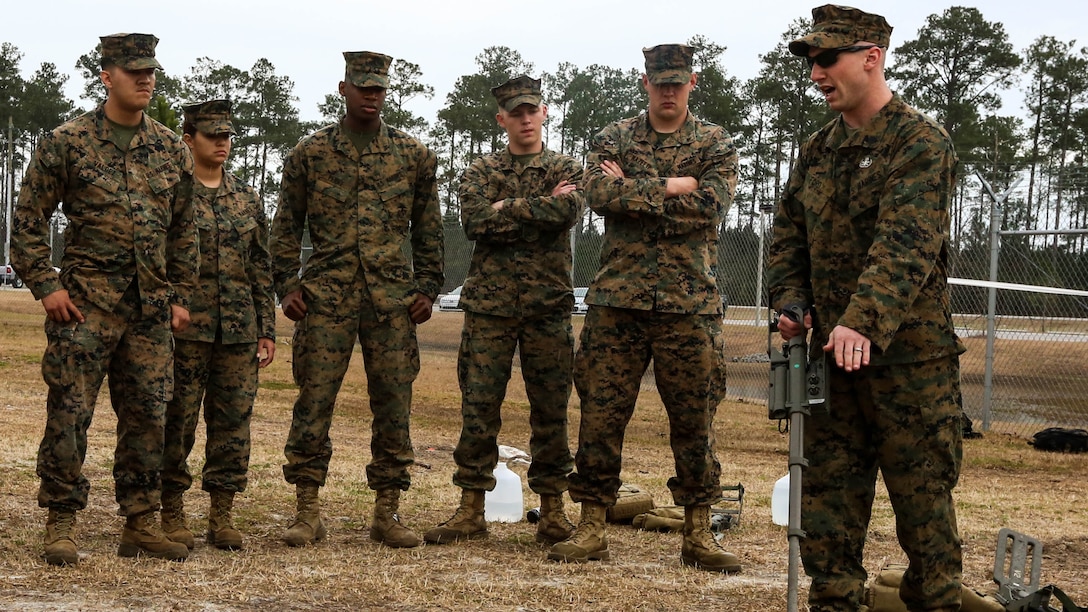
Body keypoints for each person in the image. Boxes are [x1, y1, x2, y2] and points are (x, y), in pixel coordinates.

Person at [767, 6, 965, 610]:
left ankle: (935, 601)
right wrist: (792, 301)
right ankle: (835, 601)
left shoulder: (920, 142)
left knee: (923, 500)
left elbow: (905, 242)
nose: (815, 72)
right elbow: (787, 237)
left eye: (827, 59)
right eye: (809, 61)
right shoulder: (818, 149)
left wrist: (864, 319)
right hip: (831, 357)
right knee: (828, 500)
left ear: (871, 57)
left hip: (910, 363)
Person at [548, 44, 741, 573]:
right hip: (618, 302)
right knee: (601, 415)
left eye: (678, 83)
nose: (669, 92)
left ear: (692, 83)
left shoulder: (715, 142)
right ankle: (591, 524)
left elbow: (712, 205)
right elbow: (596, 193)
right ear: (645, 82)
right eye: (660, 83)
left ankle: (699, 531)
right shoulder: (613, 135)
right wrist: (675, 185)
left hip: (688, 304)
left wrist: (632, 188)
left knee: (695, 419)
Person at [11, 33, 196, 565]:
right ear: (106, 76)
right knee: (70, 414)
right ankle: (61, 520)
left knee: (148, 417)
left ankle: (139, 522)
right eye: (134, 71)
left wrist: (179, 295)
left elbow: (185, 229)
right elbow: (27, 222)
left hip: (150, 312)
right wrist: (47, 286)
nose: (145, 80)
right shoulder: (67, 141)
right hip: (86, 306)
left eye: (150, 71)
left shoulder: (169, 148)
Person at [269, 50, 444, 549]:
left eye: (379, 89)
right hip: (325, 297)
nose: (371, 96)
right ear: (343, 89)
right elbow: (286, 225)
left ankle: (387, 510)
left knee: (394, 404)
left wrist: (427, 287)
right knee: (314, 401)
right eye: (362, 87)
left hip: (391, 301)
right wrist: (288, 284)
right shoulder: (311, 153)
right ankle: (307, 509)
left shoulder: (413, 155)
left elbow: (428, 229)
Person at [423, 76, 583, 546]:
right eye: (516, 113)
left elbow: (567, 212)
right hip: (490, 308)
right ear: (502, 120)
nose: (525, 118)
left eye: (532, 110)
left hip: (548, 308)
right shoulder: (481, 168)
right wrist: (537, 207)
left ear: (545, 112)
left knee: (551, 411)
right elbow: (474, 221)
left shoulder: (565, 166)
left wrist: (506, 209)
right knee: (478, 409)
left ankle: (553, 511)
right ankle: (470, 508)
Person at [159, 99, 276, 552]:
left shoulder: (246, 196)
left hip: (239, 332)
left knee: (232, 425)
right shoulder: (173, 192)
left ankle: (222, 515)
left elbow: (260, 267)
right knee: (178, 421)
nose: (223, 144)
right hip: (185, 332)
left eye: (228, 136)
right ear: (189, 139)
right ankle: (171, 511)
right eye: (213, 136)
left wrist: (266, 328)